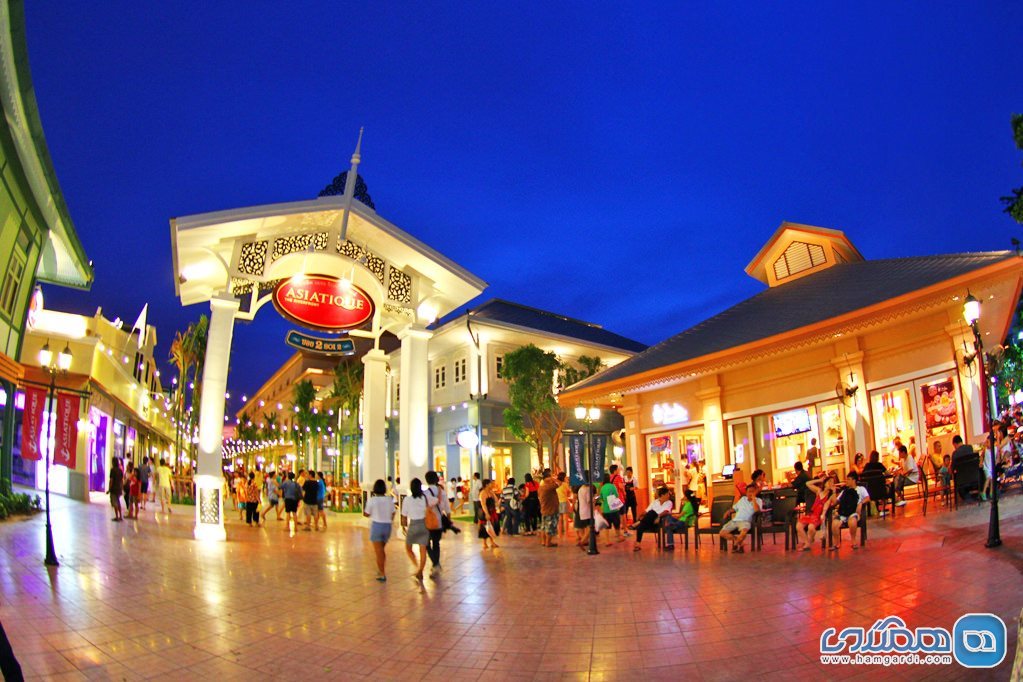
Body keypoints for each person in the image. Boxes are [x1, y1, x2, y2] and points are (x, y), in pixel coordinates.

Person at [363, 479, 394, 582]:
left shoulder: (372, 500)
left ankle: (382, 573)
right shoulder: (389, 499)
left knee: (379, 551)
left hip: (377, 526)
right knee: (381, 550)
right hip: (387, 526)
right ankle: (381, 569)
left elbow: (366, 514)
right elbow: (393, 513)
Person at [720, 483, 763, 553]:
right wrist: (728, 511)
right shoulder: (742, 499)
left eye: (753, 491)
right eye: (749, 491)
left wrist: (754, 500)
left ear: (756, 492)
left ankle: (735, 545)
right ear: (746, 493)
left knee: (743, 532)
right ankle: (739, 542)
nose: (751, 493)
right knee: (722, 533)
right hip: (735, 521)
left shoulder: (759, 500)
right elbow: (734, 508)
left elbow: (757, 511)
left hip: (745, 521)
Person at [830, 471, 869, 550]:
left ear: (854, 480)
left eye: (848, 479)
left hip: (853, 512)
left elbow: (867, 498)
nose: (846, 481)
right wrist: (833, 492)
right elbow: (835, 502)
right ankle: (836, 543)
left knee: (852, 522)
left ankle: (853, 542)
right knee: (834, 524)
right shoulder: (844, 491)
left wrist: (861, 503)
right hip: (843, 513)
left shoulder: (861, 489)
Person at [401, 478, 430, 581]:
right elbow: (427, 510)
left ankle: (416, 566)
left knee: (408, 548)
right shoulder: (424, 498)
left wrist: (403, 526)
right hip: (424, 525)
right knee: (423, 550)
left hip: (413, 525)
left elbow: (404, 515)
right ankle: (420, 570)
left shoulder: (407, 499)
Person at [795, 475, 834, 551]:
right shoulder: (819, 491)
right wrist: (819, 480)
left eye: (832, 482)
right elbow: (807, 483)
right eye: (829, 481)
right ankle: (807, 543)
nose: (830, 483)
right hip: (811, 514)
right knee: (798, 526)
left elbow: (834, 502)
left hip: (819, 516)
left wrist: (834, 492)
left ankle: (809, 541)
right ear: (825, 483)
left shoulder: (830, 495)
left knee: (811, 527)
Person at [631, 487, 673, 551]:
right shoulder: (655, 502)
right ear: (662, 495)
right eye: (667, 494)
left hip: (659, 520)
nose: (669, 495)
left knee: (645, 520)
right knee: (648, 516)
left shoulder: (669, 502)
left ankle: (639, 523)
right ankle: (638, 544)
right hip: (650, 520)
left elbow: (666, 511)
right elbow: (646, 511)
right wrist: (640, 515)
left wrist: (658, 516)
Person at [423, 470, 445, 576]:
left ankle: (435, 564)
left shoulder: (426, 493)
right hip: (439, 522)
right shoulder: (442, 491)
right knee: (436, 544)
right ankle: (436, 564)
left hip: (428, 522)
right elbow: (446, 507)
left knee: (427, 544)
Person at [599, 473, 625, 546]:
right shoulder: (613, 486)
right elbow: (617, 495)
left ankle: (607, 541)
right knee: (617, 524)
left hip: (606, 510)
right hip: (614, 509)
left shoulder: (602, 488)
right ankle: (619, 537)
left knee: (607, 526)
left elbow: (601, 498)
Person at [537, 469, 560, 548]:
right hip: (551, 510)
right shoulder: (549, 487)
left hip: (544, 509)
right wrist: (554, 479)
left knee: (543, 527)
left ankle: (543, 541)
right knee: (550, 527)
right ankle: (548, 542)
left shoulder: (541, 487)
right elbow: (559, 483)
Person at [477, 478, 500, 549]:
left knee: (492, 527)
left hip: (492, 511)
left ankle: (492, 542)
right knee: (484, 527)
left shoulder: (491, 492)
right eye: (490, 483)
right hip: (485, 511)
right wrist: (486, 513)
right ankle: (484, 543)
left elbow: (496, 500)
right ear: (487, 484)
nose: (492, 484)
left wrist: (498, 503)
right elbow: (483, 504)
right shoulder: (483, 493)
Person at [574, 475, 593, 548]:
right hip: (587, 511)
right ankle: (582, 541)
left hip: (582, 510)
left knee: (586, 526)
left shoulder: (580, 489)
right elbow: (589, 501)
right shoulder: (588, 489)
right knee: (590, 526)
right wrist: (596, 498)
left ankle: (584, 541)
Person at [608, 465, 628, 533]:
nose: (619, 470)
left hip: (612, 499)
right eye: (618, 469)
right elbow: (621, 486)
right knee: (623, 514)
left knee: (617, 516)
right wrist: (624, 493)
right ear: (615, 470)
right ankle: (625, 530)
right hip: (620, 499)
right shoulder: (618, 477)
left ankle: (618, 531)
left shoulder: (609, 477)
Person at [556, 471, 572, 538]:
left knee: (559, 519)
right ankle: (566, 533)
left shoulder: (556, 484)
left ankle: (559, 534)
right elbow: (569, 492)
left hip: (557, 502)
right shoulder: (565, 484)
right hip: (564, 501)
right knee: (566, 519)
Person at [108, 457, 124, 522]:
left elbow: (111, 480)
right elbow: (121, 480)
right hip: (119, 488)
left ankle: (117, 516)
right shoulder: (120, 470)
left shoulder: (113, 470)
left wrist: (109, 488)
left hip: (114, 488)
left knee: (115, 503)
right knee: (118, 502)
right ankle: (120, 516)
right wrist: (122, 488)